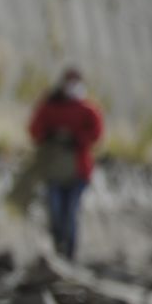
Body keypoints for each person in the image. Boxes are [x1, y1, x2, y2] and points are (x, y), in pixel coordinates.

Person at [27, 67, 104, 261]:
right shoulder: (50, 106)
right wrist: (51, 135)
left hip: (78, 172)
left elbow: (97, 133)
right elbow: (35, 129)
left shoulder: (87, 109)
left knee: (70, 212)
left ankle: (69, 254)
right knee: (54, 210)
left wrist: (78, 139)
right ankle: (57, 249)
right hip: (53, 169)